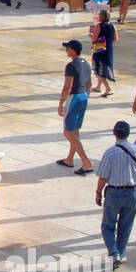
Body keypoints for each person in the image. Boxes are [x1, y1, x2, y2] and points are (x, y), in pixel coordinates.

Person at [95, 120, 136, 269]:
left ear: (115, 134)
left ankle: (113, 254)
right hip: (133, 192)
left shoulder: (111, 152)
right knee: (126, 226)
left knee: (108, 225)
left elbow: (103, 177)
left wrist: (98, 192)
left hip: (114, 192)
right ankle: (121, 253)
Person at [56, 39, 93, 174]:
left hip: (74, 97)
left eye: (67, 48)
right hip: (83, 96)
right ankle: (69, 159)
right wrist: (86, 96)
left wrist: (61, 103)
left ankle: (86, 161)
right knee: (75, 131)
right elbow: (89, 84)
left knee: (68, 132)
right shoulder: (87, 64)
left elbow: (67, 86)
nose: (66, 51)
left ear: (72, 50)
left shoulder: (71, 66)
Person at [90, 8, 117, 97]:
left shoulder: (99, 26)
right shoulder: (113, 26)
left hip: (100, 50)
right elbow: (116, 39)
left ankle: (107, 88)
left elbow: (94, 38)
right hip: (109, 50)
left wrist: (91, 35)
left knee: (98, 69)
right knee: (104, 67)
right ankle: (98, 86)